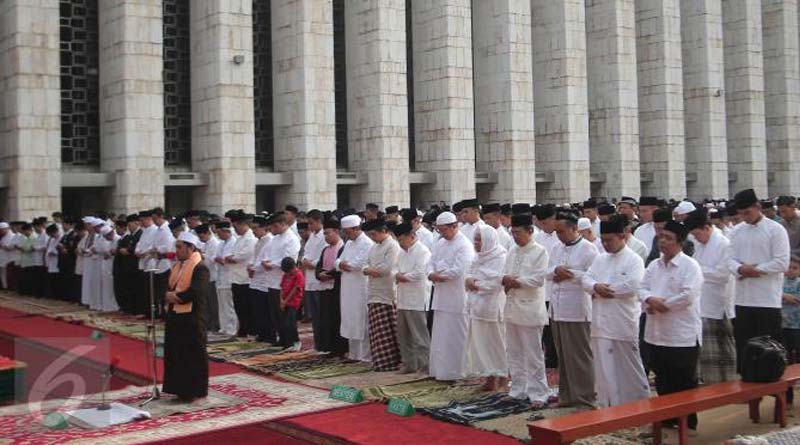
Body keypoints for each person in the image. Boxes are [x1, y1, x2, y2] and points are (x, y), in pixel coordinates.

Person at [640, 220, 704, 430]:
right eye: (661, 237)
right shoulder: (653, 265)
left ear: (680, 242)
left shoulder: (690, 266)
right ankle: (667, 418)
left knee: (684, 380)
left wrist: (661, 304)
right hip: (657, 332)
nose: (663, 241)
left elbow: (688, 295)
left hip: (681, 333)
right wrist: (650, 300)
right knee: (662, 378)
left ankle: (686, 422)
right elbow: (642, 288)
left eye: (668, 238)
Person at [583, 215, 649, 407]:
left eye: (609, 240)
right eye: (602, 240)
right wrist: (596, 287)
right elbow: (586, 280)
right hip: (601, 321)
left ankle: (637, 405)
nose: (605, 244)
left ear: (622, 237)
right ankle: (608, 405)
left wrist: (604, 290)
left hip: (622, 321)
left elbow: (632, 285)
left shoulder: (633, 259)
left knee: (629, 366)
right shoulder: (600, 258)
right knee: (603, 367)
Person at [727, 189, 791, 373]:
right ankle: (751, 397)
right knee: (746, 351)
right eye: (740, 214)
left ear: (757, 207)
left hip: (767, 300)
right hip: (742, 299)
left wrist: (756, 270)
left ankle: (782, 395)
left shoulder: (775, 230)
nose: (744, 217)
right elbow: (729, 260)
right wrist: (740, 269)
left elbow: (781, 262)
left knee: (772, 351)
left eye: (747, 212)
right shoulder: (736, 231)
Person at [548, 211, 598, 410]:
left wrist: (568, 274)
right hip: (557, 308)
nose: (559, 235)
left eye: (562, 231)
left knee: (579, 355)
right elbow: (546, 270)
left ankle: (585, 398)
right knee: (563, 356)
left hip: (577, 309)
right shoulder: (556, 247)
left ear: (574, 228)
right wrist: (555, 272)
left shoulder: (589, 249)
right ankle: (567, 396)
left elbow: (593, 276)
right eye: (556, 232)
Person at [502, 213, 550, 408]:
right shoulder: (512, 251)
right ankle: (518, 390)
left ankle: (539, 393)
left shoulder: (540, 252)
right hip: (512, 306)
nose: (515, 236)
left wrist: (516, 281)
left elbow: (538, 279)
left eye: (518, 232)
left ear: (530, 231)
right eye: (512, 232)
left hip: (530, 309)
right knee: (514, 352)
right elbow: (505, 274)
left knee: (533, 353)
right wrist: (506, 280)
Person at [685, 209, 737, 384]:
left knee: (724, 348)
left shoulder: (724, 243)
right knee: (707, 349)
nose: (696, 238)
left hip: (719, 302)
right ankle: (710, 382)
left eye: (697, 233)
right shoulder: (699, 245)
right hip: (702, 301)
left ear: (707, 228)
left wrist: (698, 271)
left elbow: (723, 274)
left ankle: (727, 383)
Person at [162, 231, 210, 402]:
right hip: (176, 314)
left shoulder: (200, 267)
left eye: (180, 247)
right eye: (176, 247)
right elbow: (169, 285)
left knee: (194, 354)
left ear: (191, 248)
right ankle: (180, 389)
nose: (177, 251)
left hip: (193, 317)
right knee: (176, 351)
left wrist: (177, 297)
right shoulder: (177, 266)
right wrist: (169, 295)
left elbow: (197, 291)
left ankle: (198, 391)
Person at [428, 211, 475, 381]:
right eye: (439, 230)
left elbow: (460, 270)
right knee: (441, 336)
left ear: (454, 226)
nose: (441, 234)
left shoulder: (464, 245)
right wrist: (431, 274)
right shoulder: (440, 244)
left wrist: (440, 275)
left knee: (457, 335)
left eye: (443, 230)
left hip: (457, 298)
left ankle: (459, 371)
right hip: (441, 297)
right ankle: (441, 371)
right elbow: (430, 262)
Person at [464, 225, 508, 390]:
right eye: (475, 239)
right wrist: (470, 280)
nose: (476, 243)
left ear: (489, 240)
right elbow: (469, 272)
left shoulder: (501, 257)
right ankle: (489, 378)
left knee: (498, 344)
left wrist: (475, 283)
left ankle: (503, 378)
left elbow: (496, 283)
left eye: (479, 239)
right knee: (482, 345)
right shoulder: (478, 257)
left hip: (493, 308)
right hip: (477, 307)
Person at [362, 218, 402, 371]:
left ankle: (394, 361)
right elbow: (365, 265)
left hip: (387, 293)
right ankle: (382, 362)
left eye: (374, 234)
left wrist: (371, 270)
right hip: (374, 292)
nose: (372, 237)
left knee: (390, 329)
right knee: (377, 330)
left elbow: (386, 269)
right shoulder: (373, 247)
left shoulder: (392, 246)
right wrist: (371, 269)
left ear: (384, 231)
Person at [256, 212, 301, 345]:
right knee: (275, 314)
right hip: (271, 280)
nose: (273, 230)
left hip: (285, 280)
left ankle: (292, 340)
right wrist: (265, 262)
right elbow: (265, 254)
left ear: (282, 224)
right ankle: (282, 338)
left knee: (287, 314)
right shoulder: (274, 239)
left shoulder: (292, 239)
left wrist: (271, 264)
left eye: (275, 227)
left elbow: (288, 259)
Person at [393, 222, 431, 374]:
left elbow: (421, 273)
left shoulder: (423, 251)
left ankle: (424, 365)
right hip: (402, 298)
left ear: (412, 236)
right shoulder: (401, 252)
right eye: (399, 240)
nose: (400, 243)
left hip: (417, 298)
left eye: (402, 239)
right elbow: (394, 269)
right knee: (404, 335)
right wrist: (398, 275)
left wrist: (403, 276)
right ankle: (409, 363)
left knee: (419, 336)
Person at [336, 214, 374, 361]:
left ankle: (364, 355)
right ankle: (353, 353)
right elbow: (338, 261)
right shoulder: (349, 243)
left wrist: (344, 264)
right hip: (347, 287)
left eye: (348, 231)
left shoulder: (367, 243)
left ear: (356, 228)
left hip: (360, 287)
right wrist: (341, 264)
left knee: (361, 320)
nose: (346, 235)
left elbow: (358, 264)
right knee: (350, 320)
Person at [315, 218, 347, 354]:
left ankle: (339, 348)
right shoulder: (325, 250)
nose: (326, 237)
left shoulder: (343, 248)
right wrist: (319, 274)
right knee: (325, 319)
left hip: (337, 289)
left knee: (337, 319)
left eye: (328, 233)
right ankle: (328, 347)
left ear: (336, 232)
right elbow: (318, 267)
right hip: (325, 288)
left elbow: (341, 268)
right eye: (324, 234)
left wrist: (330, 275)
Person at [301, 210, 328, 350]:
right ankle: (318, 344)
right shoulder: (312, 237)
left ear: (318, 221)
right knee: (314, 317)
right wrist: (304, 261)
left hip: (319, 281)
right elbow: (305, 254)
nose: (309, 226)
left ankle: (324, 344)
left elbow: (324, 257)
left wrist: (313, 263)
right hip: (309, 280)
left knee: (321, 316)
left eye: (311, 223)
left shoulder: (325, 236)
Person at [228, 213, 257, 337]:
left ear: (242, 225)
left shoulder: (251, 239)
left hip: (245, 278)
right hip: (235, 276)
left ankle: (250, 329)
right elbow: (233, 254)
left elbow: (242, 255)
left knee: (246, 307)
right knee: (238, 306)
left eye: (236, 227)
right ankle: (243, 329)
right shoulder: (239, 239)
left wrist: (232, 258)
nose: (235, 230)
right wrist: (232, 257)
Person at [214, 221, 238, 337]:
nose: (218, 235)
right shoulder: (220, 243)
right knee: (222, 305)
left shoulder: (233, 242)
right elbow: (216, 257)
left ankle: (232, 328)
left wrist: (222, 259)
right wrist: (221, 259)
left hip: (229, 276)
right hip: (220, 276)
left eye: (219, 232)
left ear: (225, 231)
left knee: (229, 304)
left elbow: (226, 260)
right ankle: (223, 327)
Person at [196, 224, 221, 332]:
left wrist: (202, 256)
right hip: (206, 276)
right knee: (206, 303)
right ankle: (208, 323)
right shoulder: (205, 244)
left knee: (213, 303)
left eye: (202, 237)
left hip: (213, 275)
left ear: (207, 233)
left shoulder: (214, 243)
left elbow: (212, 260)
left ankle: (215, 324)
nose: (201, 239)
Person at [279, 257, 304, 350]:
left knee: (291, 323)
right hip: (285, 302)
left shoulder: (299, 275)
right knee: (284, 323)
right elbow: (282, 288)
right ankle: (288, 343)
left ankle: (296, 341)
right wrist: (281, 300)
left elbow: (295, 290)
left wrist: (285, 301)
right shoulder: (285, 275)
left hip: (294, 302)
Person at [94, 225, 120, 312]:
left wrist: (111, 253)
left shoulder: (118, 239)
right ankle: (107, 305)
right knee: (106, 286)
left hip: (114, 265)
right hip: (106, 265)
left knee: (112, 286)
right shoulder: (109, 241)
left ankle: (114, 305)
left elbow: (117, 252)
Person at [44, 224, 60, 299]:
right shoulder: (52, 239)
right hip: (51, 261)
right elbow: (49, 249)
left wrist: (55, 253)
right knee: (51, 278)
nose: (51, 236)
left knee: (57, 279)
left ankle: (57, 295)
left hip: (58, 261)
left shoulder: (61, 238)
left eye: (51, 234)